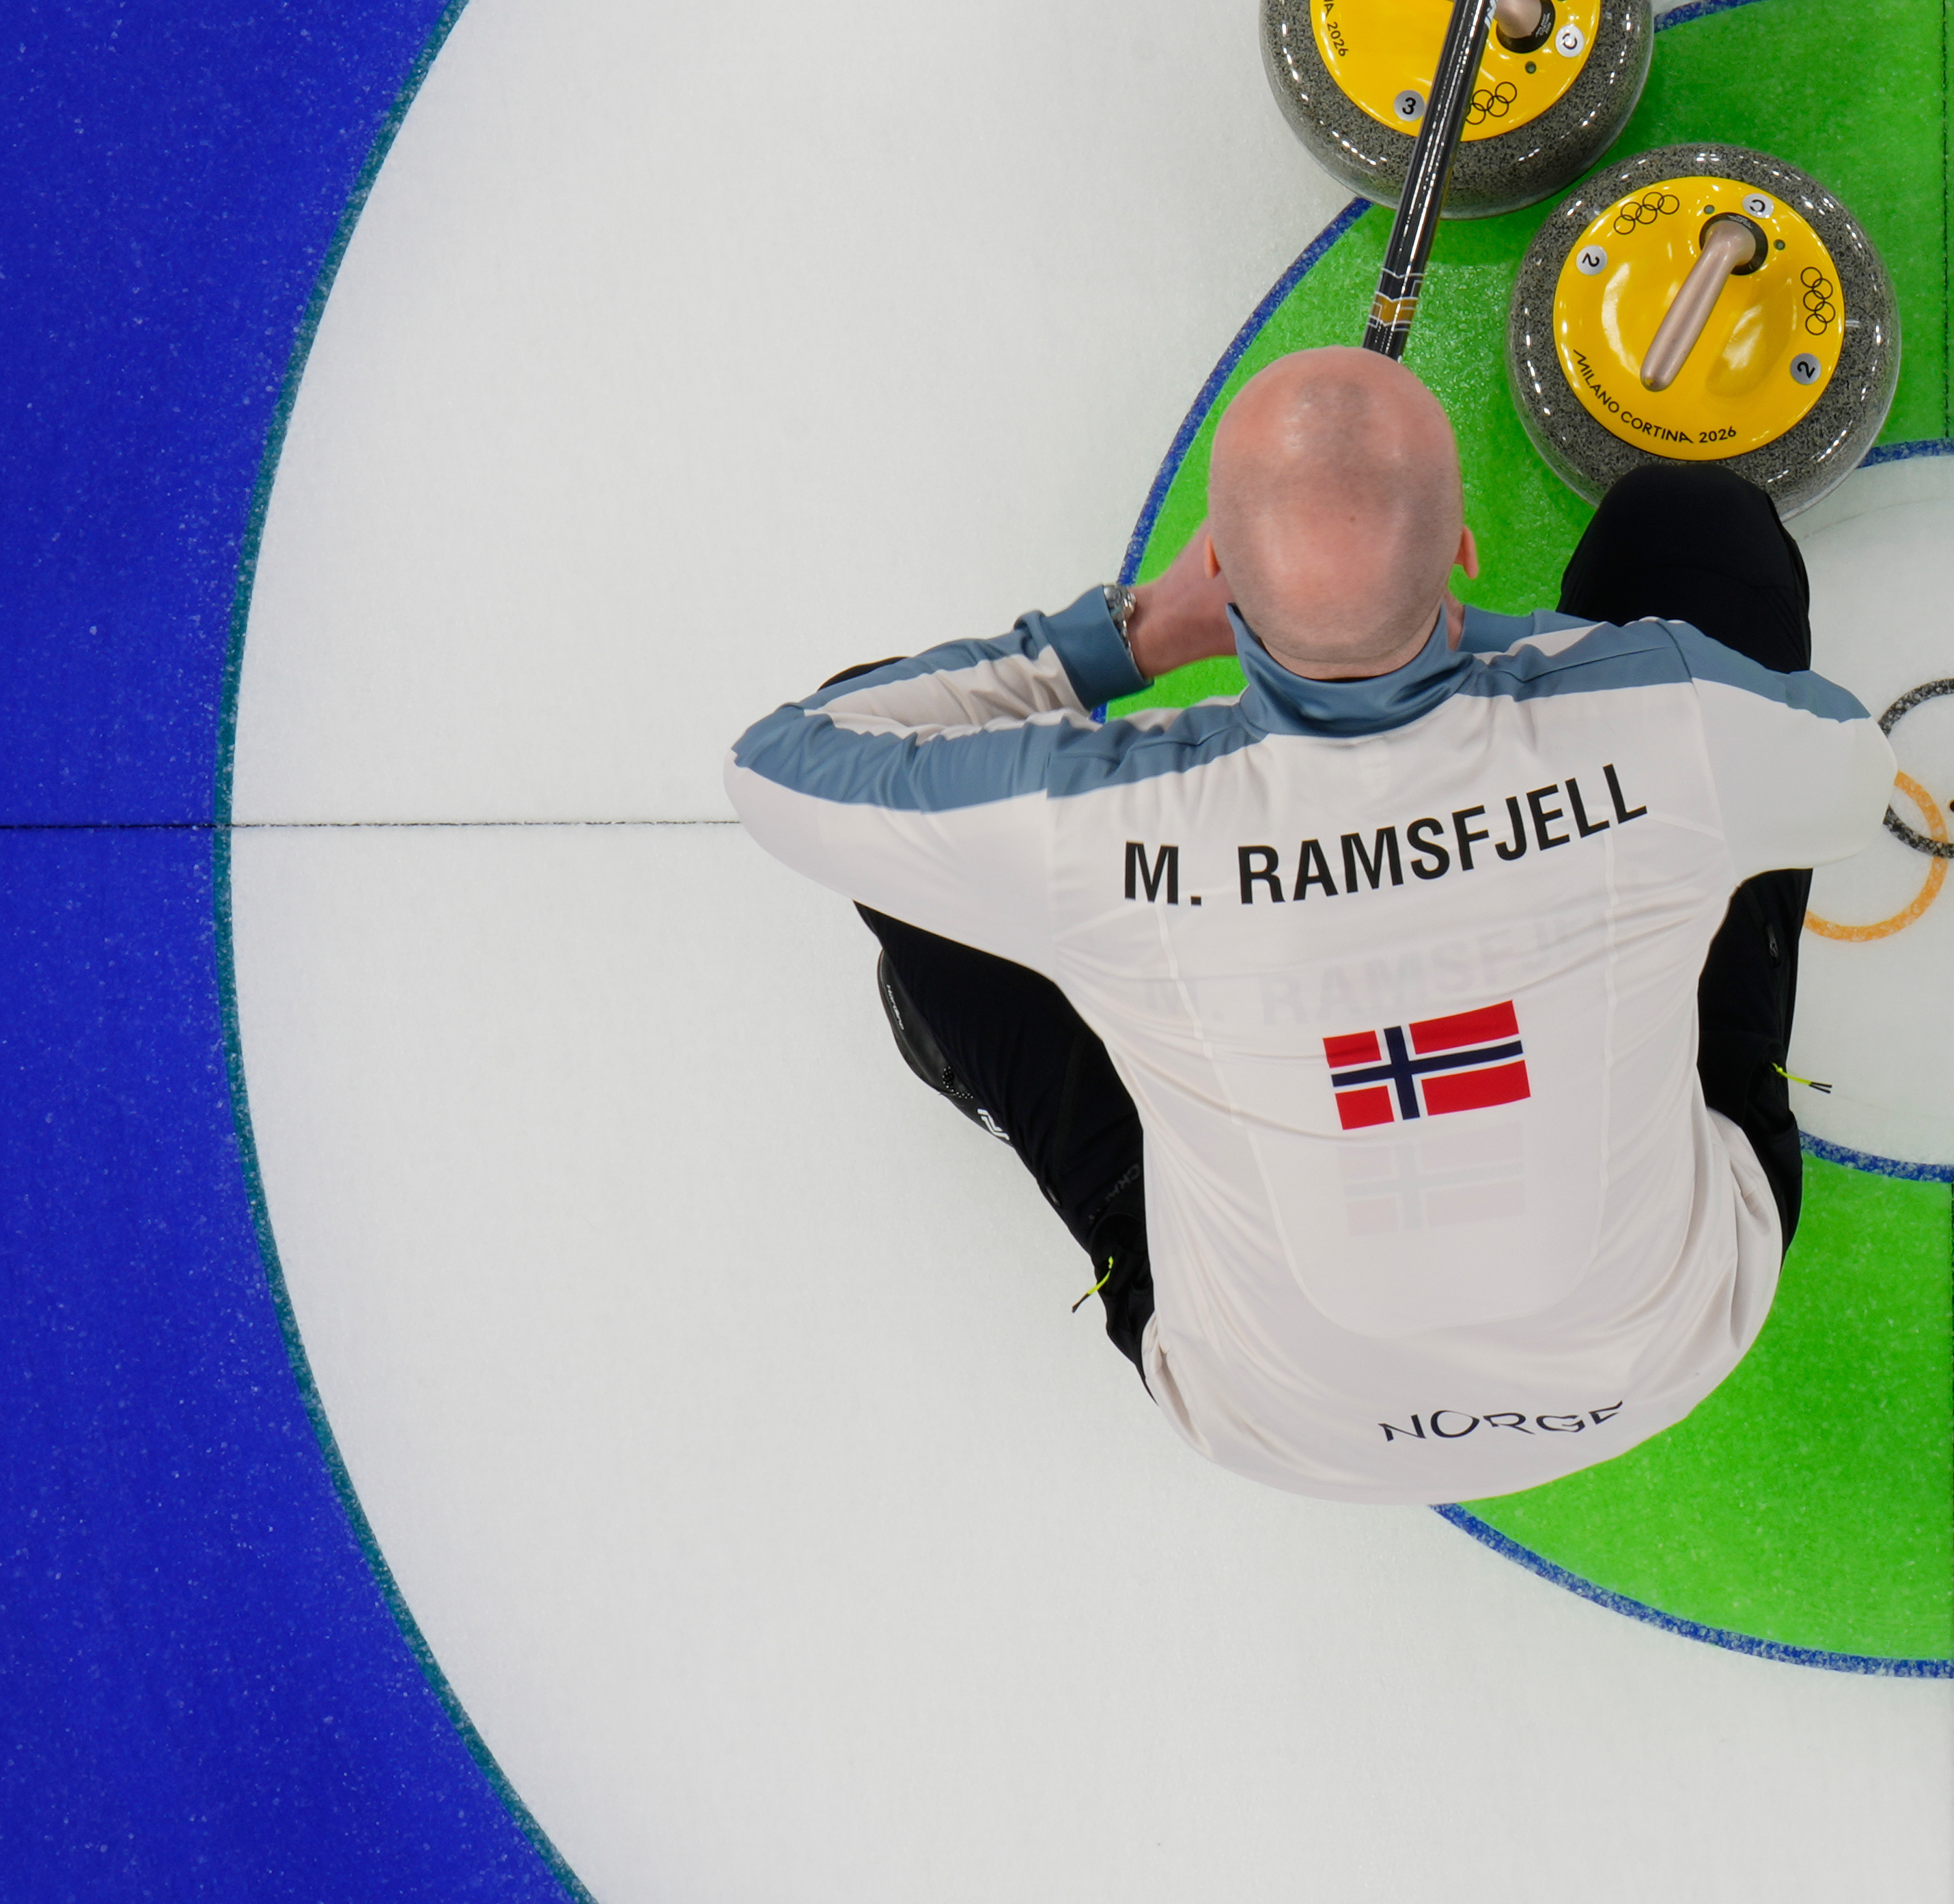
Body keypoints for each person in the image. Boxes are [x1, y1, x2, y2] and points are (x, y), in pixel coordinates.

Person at [723, 348, 1888, 1503]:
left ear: (1224, 572)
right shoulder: (1658, 717)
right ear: (1466, 554)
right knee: (1696, 523)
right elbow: (1847, 776)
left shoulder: (1100, 818)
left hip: (1287, 1419)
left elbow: (784, 772)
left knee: (927, 830)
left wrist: (1136, 634)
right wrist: (1535, 670)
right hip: (1662, 1347)